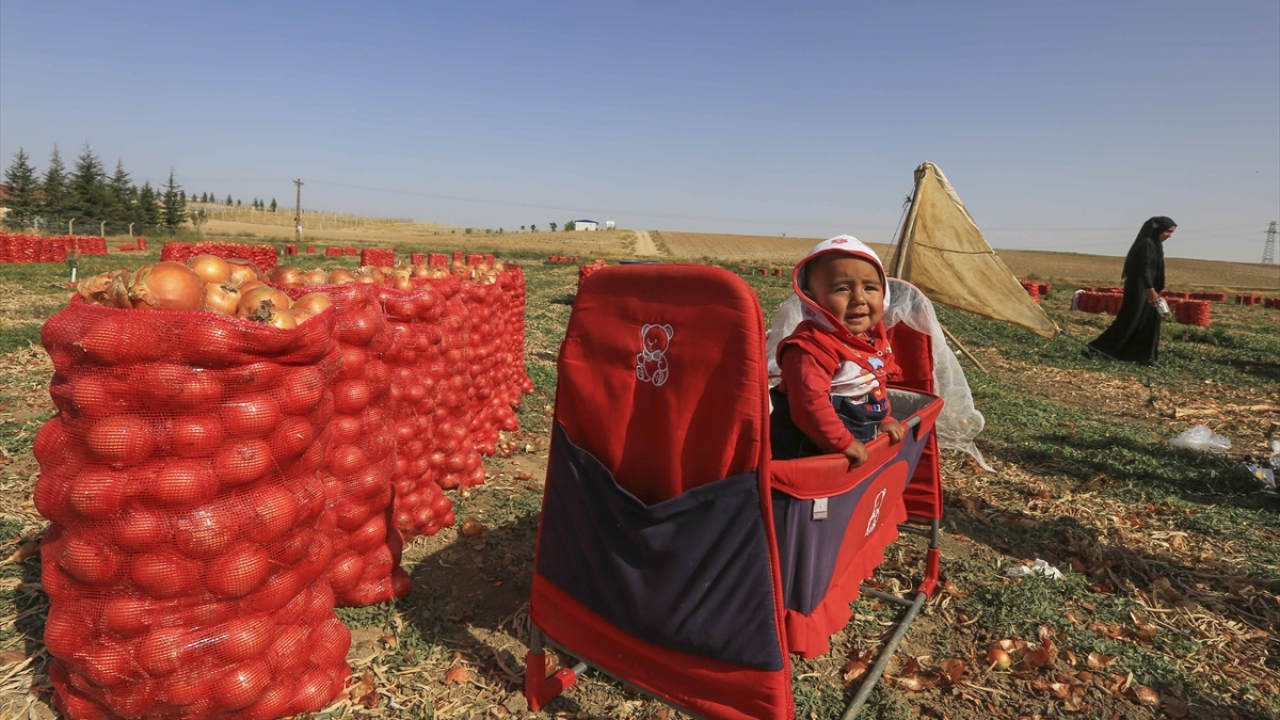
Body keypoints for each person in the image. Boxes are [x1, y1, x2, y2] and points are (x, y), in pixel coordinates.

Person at [770, 236, 905, 466]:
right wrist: (841, 442)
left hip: (852, 441)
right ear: (811, 298)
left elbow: (874, 381)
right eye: (842, 289)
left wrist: (883, 419)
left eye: (870, 287)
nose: (859, 299)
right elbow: (809, 406)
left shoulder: (871, 339)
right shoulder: (811, 348)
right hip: (812, 449)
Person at [1084, 216, 1177, 366]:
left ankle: (1146, 357)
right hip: (1139, 288)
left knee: (1150, 321)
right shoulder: (1146, 244)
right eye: (1168, 232)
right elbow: (1143, 269)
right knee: (1130, 320)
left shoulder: (1156, 245)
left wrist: (1154, 289)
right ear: (1158, 230)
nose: (1169, 236)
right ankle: (1098, 349)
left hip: (1149, 288)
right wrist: (1150, 289)